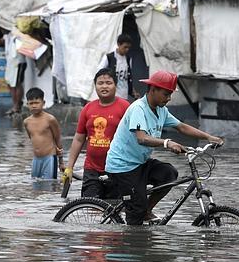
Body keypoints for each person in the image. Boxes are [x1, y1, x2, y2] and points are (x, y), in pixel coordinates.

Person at [105, 70, 223, 225]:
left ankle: (147, 210)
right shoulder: (138, 109)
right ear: (153, 89)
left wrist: (208, 137)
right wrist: (167, 143)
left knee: (169, 174)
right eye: (166, 94)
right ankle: (132, 242)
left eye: (170, 94)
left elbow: (181, 126)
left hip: (139, 162)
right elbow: (142, 138)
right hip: (123, 167)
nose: (169, 98)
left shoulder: (161, 110)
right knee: (136, 213)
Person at [63, 68, 130, 198]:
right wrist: (69, 167)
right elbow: (78, 139)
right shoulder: (88, 109)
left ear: (115, 85)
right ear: (95, 86)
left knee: (113, 211)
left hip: (117, 168)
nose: (104, 86)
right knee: (88, 207)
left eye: (108, 83)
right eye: (100, 83)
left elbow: (134, 138)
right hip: (91, 169)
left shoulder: (125, 107)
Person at [0, 29, 27, 115]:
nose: (2, 31)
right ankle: (15, 104)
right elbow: (2, 41)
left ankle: (17, 106)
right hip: (10, 62)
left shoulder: (18, 34)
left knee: (17, 84)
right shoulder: (8, 35)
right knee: (10, 84)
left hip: (18, 61)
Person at [23, 88, 65, 179]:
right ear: (27, 104)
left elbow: (57, 138)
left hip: (49, 158)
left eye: (37, 103)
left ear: (43, 103)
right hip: (36, 159)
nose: (34, 106)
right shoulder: (27, 122)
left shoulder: (50, 119)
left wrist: (61, 161)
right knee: (35, 183)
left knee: (49, 185)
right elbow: (32, 139)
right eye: (31, 103)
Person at [98, 34, 138, 100]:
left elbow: (128, 78)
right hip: (112, 95)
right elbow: (99, 72)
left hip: (124, 95)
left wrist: (133, 91)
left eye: (128, 47)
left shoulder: (128, 59)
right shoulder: (109, 58)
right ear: (119, 44)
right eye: (125, 47)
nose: (127, 49)